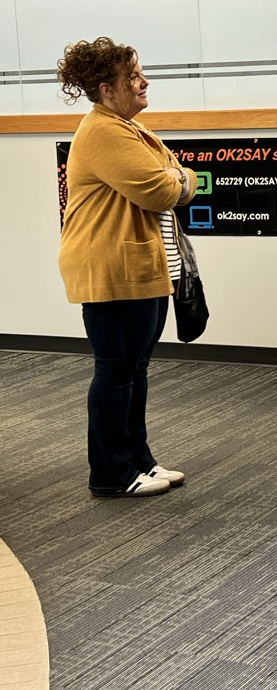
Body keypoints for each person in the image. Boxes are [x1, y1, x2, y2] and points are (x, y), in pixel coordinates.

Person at [57, 37, 198, 497]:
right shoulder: (105, 131)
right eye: (133, 77)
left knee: (134, 369)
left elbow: (181, 176)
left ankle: (139, 461)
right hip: (111, 272)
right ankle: (113, 473)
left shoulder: (131, 129)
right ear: (108, 89)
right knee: (117, 371)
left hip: (141, 270)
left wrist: (176, 177)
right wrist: (176, 178)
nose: (144, 82)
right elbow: (162, 189)